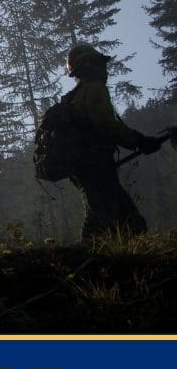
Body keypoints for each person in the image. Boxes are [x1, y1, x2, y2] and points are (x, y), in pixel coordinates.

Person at [63, 44, 162, 240]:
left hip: (81, 165)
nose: (105, 70)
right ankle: (89, 260)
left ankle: (100, 258)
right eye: (101, 64)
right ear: (90, 65)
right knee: (115, 218)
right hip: (94, 163)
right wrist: (139, 141)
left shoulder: (74, 97)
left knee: (113, 215)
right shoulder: (94, 89)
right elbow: (106, 124)